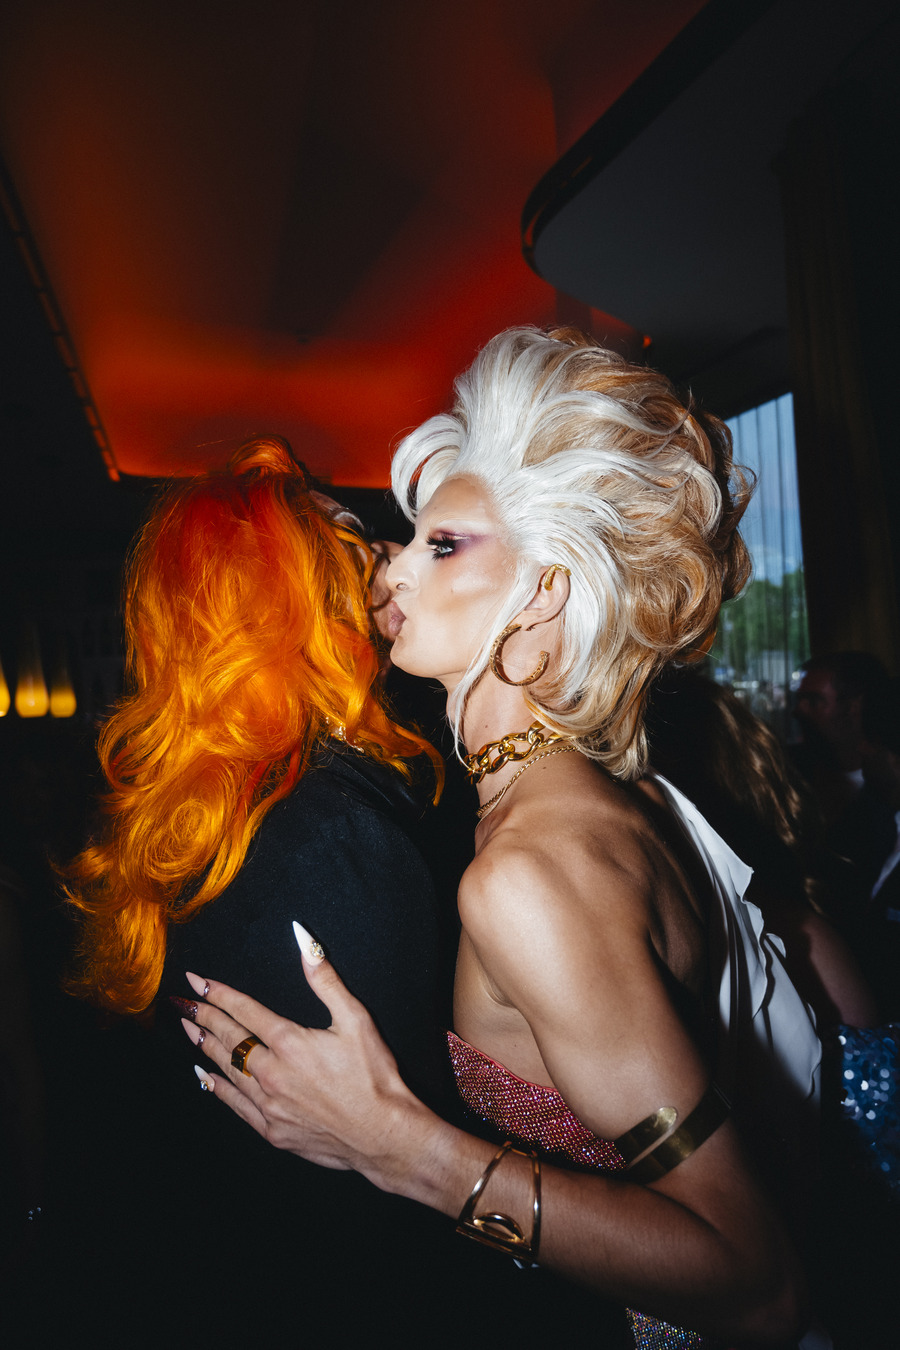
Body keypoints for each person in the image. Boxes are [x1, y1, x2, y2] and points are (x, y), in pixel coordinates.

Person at [184, 329, 821, 1348]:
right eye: (410, 537)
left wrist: (402, 1147)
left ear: (543, 591)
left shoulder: (525, 873)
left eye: (442, 545)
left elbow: (759, 1281)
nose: (390, 567)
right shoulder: (612, 802)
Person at [61, 437, 557, 1344]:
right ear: (293, 596)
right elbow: (388, 1208)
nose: (389, 560)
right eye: (353, 538)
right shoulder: (322, 837)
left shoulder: (220, 811)